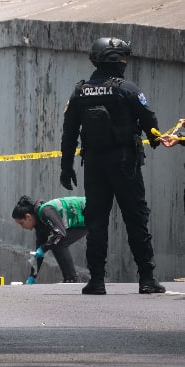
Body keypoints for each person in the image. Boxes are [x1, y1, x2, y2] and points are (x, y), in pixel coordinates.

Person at [60, 37, 165, 296]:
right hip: (125, 163)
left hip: (94, 164)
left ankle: (96, 280)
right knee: (136, 218)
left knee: (96, 222)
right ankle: (147, 278)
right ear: (113, 60)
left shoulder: (80, 91)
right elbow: (148, 118)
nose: (125, 62)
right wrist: (154, 138)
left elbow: (69, 132)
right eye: (122, 57)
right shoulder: (126, 89)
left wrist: (66, 167)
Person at [12, 195, 88, 283]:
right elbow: (39, 253)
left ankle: (71, 279)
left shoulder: (45, 212)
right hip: (83, 220)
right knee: (55, 243)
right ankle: (69, 278)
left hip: (90, 211)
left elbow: (60, 235)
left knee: (59, 242)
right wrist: (32, 276)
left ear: (28, 217)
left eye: (22, 223)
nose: (23, 227)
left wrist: (43, 248)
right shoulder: (40, 225)